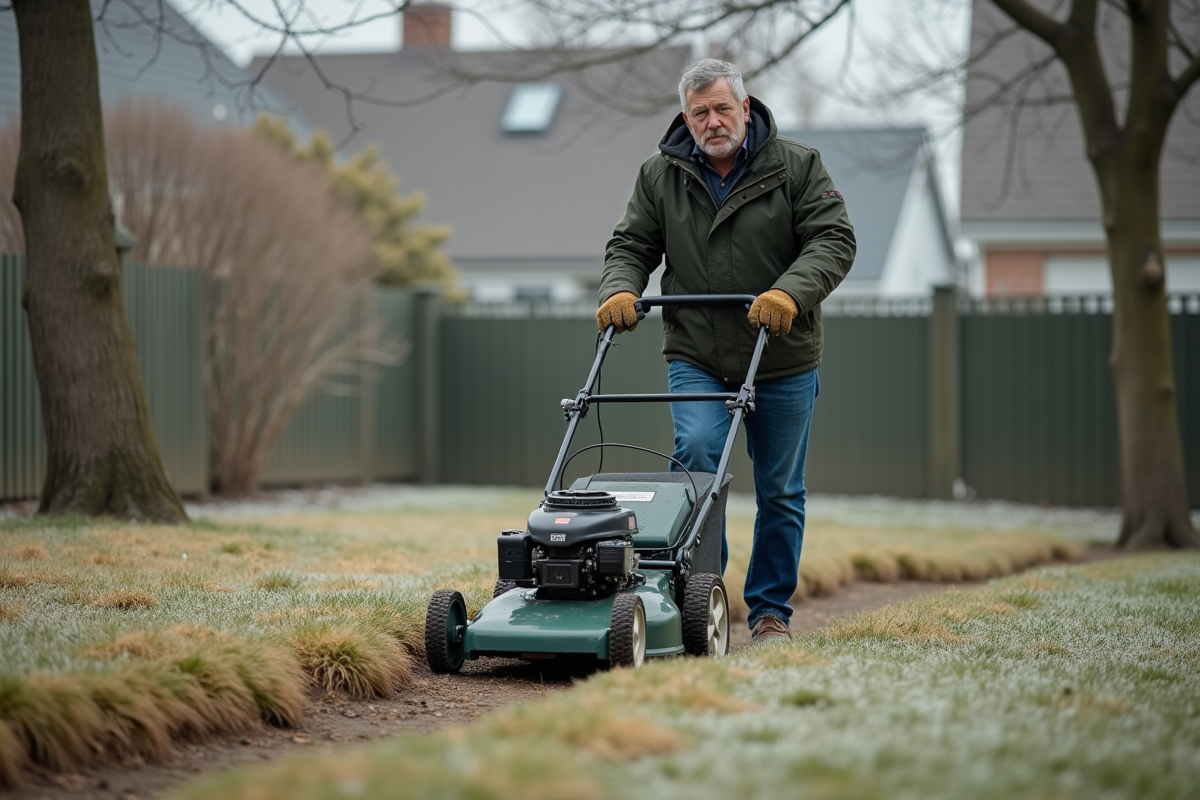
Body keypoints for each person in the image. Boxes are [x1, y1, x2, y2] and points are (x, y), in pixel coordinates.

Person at [596, 59, 855, 642]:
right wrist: (620, 286)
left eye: (721, 108)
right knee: (697, 458)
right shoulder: (660, 175)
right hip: (698, 353)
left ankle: (769, 612)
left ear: (744, 106)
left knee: (781, 489)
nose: (712, 121)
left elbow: (834, 238)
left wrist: (790, 291)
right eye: (699, 112)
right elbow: (632, 242)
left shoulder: (796, 166)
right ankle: (696, 595)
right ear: (685, 117)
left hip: (783, 354)